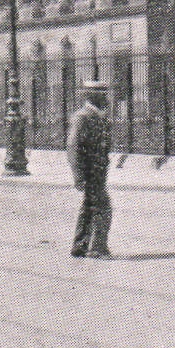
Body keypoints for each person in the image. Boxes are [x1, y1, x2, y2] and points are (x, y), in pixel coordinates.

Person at [66, 80, 113, 259]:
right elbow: (73, 147)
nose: (106, 99)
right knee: (103, 207)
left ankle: (80, 246)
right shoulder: (82, 117)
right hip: (89, 172)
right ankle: (97, 248)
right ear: (92, 97)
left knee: (89, 207)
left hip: (99, 172)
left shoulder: (99, 116)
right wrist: (78, 176)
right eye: (102, 95)